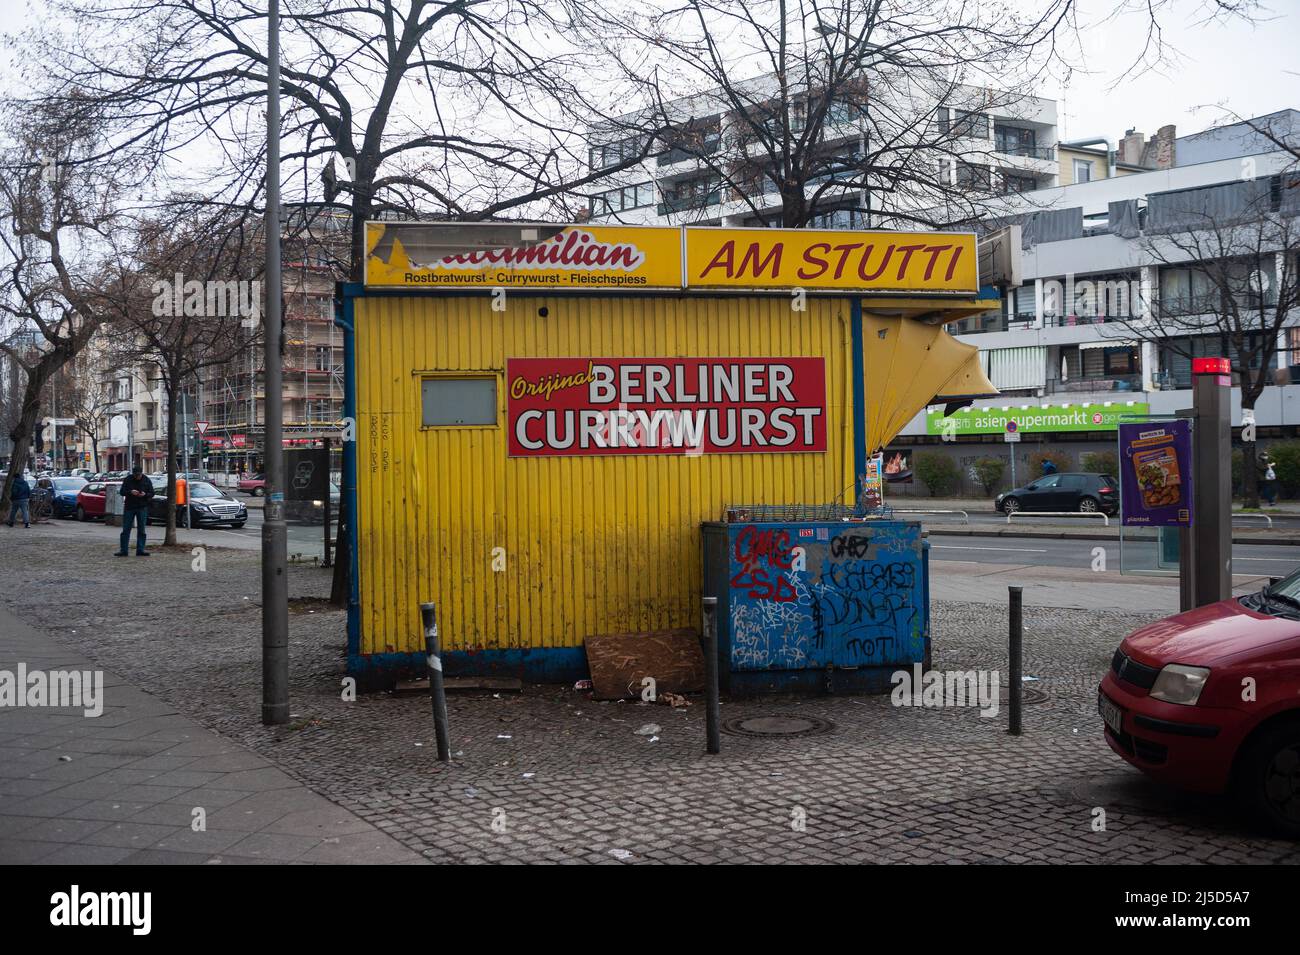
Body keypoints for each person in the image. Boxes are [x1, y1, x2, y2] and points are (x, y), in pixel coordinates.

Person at [116, 463, 154, 556]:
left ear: (141, 473)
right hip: (130, 507)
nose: (138, 477)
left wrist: (145, 494)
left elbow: (152, 492)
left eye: (139, 475)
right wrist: (130, 492)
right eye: (136, 475)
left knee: (142, 530)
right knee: (126, 529)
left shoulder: (146, 480)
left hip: (142, 507)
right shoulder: (128, 479)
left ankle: (140, 549)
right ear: (133, 474)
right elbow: (121, 492)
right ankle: (124, 550)